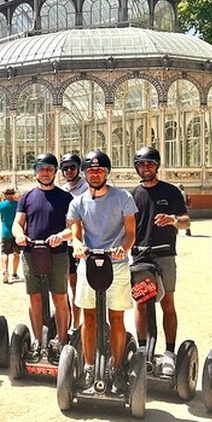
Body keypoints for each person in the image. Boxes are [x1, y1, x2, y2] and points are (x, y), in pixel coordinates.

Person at [67, 150, 137, 393]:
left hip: (116, 264)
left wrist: (123, 248)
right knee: (89, 317)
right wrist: (77, 244)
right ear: (85, 174)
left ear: (107, 172)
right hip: (89, 263)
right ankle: (88, 366)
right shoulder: (77, 202)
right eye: (91, 171)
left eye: (99, 170)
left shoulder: (123, 197)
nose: (95, 174)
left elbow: (130, 233)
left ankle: (117, 369)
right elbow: (75, 231)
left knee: (116, 318)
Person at [129, 146, 190, 377]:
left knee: (167, 303)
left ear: (157, 166)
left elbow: (186, 221)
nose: (146, 168)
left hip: (164, 254)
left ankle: (169, 352)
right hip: (141, 255)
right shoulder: (132, 195)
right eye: (142, 164)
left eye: (150, 164)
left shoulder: (171, 192)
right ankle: (143, 349)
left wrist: (173, 219)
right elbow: (126, 227)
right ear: (137, 167)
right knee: (142, 304)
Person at [12, 153, 74, 351]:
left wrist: (60, 237)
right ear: (35, 172)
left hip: (57, 254)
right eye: (41, 169)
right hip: (32, 252)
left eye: (49, 169)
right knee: (35, 297)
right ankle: (38, 341)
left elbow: (72, 228)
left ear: (55, 172)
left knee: (59, 297)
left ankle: (63, 341)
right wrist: (19, 236)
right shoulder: (27, 197)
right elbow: (17, 224)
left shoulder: (65, 197)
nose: (45, 172)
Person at [59, 152, 88, 333]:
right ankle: (69, 323)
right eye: (65, 168)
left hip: (81, 243)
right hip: (65, 243)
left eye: (72, 167)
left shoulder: (86, 188)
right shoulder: (61, 190)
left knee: (78, 285)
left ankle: (76, 325)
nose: (69, 170)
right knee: (65, 285)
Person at [0, 187, 21, 284]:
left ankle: (5, 270)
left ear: (5, 195)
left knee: (4, 253)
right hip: (17, 232)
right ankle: (14, 273)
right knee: (16, 253)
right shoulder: (18, 205)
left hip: (5, 232)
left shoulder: (1, 205)